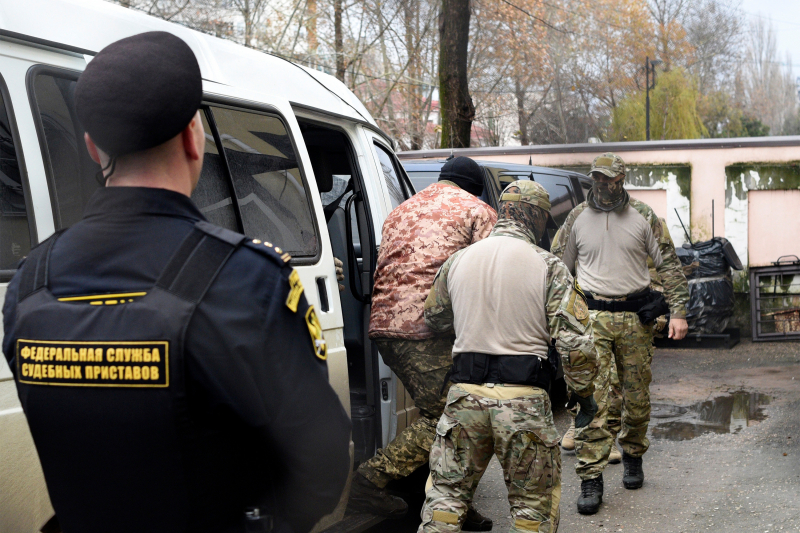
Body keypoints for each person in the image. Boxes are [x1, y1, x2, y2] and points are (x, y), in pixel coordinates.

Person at [2, 32, 350, 533]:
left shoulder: (31, 282)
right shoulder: (246, 278)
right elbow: (320, 468)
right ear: (194, 136)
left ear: (92, 148)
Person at [417, 180, 598, 533]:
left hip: (465, 398)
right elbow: (576, 344)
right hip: (523, 401)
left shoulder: (459, 260)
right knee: (532, 509)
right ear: (536, 217)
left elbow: (434, 317)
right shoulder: (548, 266)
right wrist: (584, 396)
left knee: (446, 499)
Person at [349, 156, 496, 528]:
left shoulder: (401, 210)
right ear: (473, 187)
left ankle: (454, 505)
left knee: (443, 411)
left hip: (383, 326)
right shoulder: (477, 210)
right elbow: (493, 269)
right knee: (455, 416)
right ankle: (368, 480)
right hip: (427, 331)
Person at [551, 153, 689, 515]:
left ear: (622, 178)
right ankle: (591, 477)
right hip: (592, 319)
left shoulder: (644, 217)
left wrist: (678, 313)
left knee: (636, 397)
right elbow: (557, 271)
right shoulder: (577, 218)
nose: (603, 185)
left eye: (609, 179)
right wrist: (558, 319)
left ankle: (632, 453)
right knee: (592, 400)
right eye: (597, 178)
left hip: (634, 320)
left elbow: (670, 266)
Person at [559, 218, 675, 465]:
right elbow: (562, 267)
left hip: (632, 313)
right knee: (584, 373)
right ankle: (577, 423)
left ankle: (610, 435)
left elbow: (662, 270)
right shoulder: (582, 222)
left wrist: (659, 311)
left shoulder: (643, 224)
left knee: (618, 382)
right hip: (590, 309)